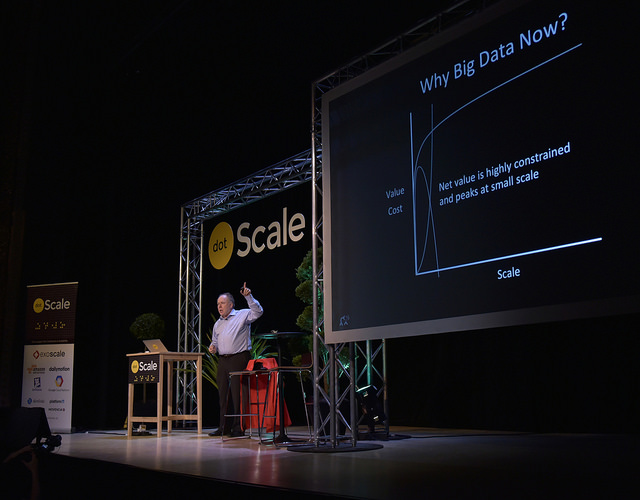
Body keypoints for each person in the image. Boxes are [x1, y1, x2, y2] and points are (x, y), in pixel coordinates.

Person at [208, 282, 263, 437]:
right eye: (218, 304)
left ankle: (238, 428)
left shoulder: (242, 315)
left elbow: (258, 312)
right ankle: (223, 427)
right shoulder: (218, 324)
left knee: (237, 394)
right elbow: (215, 342)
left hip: (239, 357)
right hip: (223, 361)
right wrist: (213, 347)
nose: (219, 306)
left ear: (231, 305)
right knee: (223, 395)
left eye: (223, 303)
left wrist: (248, 297)